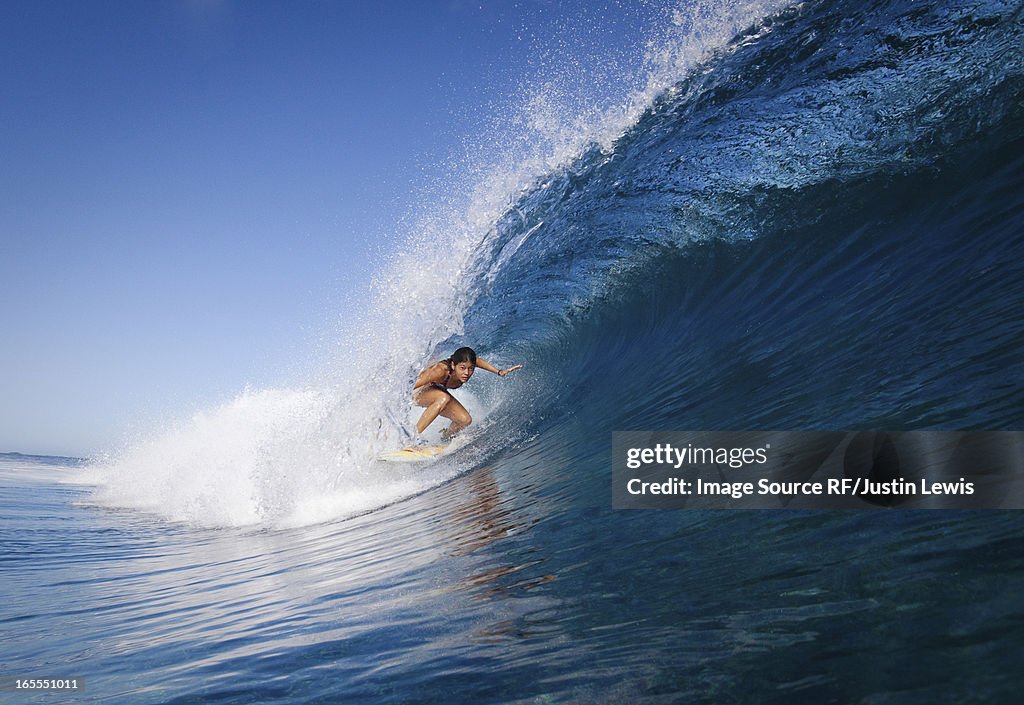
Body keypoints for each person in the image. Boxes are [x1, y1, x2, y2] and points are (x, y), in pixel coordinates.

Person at [413, 347, 522, 440]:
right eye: (462, 368)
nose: (467, 373)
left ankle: (446, 438)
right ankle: (411, 438)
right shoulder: (440, 371)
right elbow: (410, 386)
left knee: (464, 420)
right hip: (417, 392)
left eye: (471, 369)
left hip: (435, 390)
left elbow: (477, 361)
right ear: (453, 365)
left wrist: (499, 372)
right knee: (443, 398)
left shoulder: (467, 366)